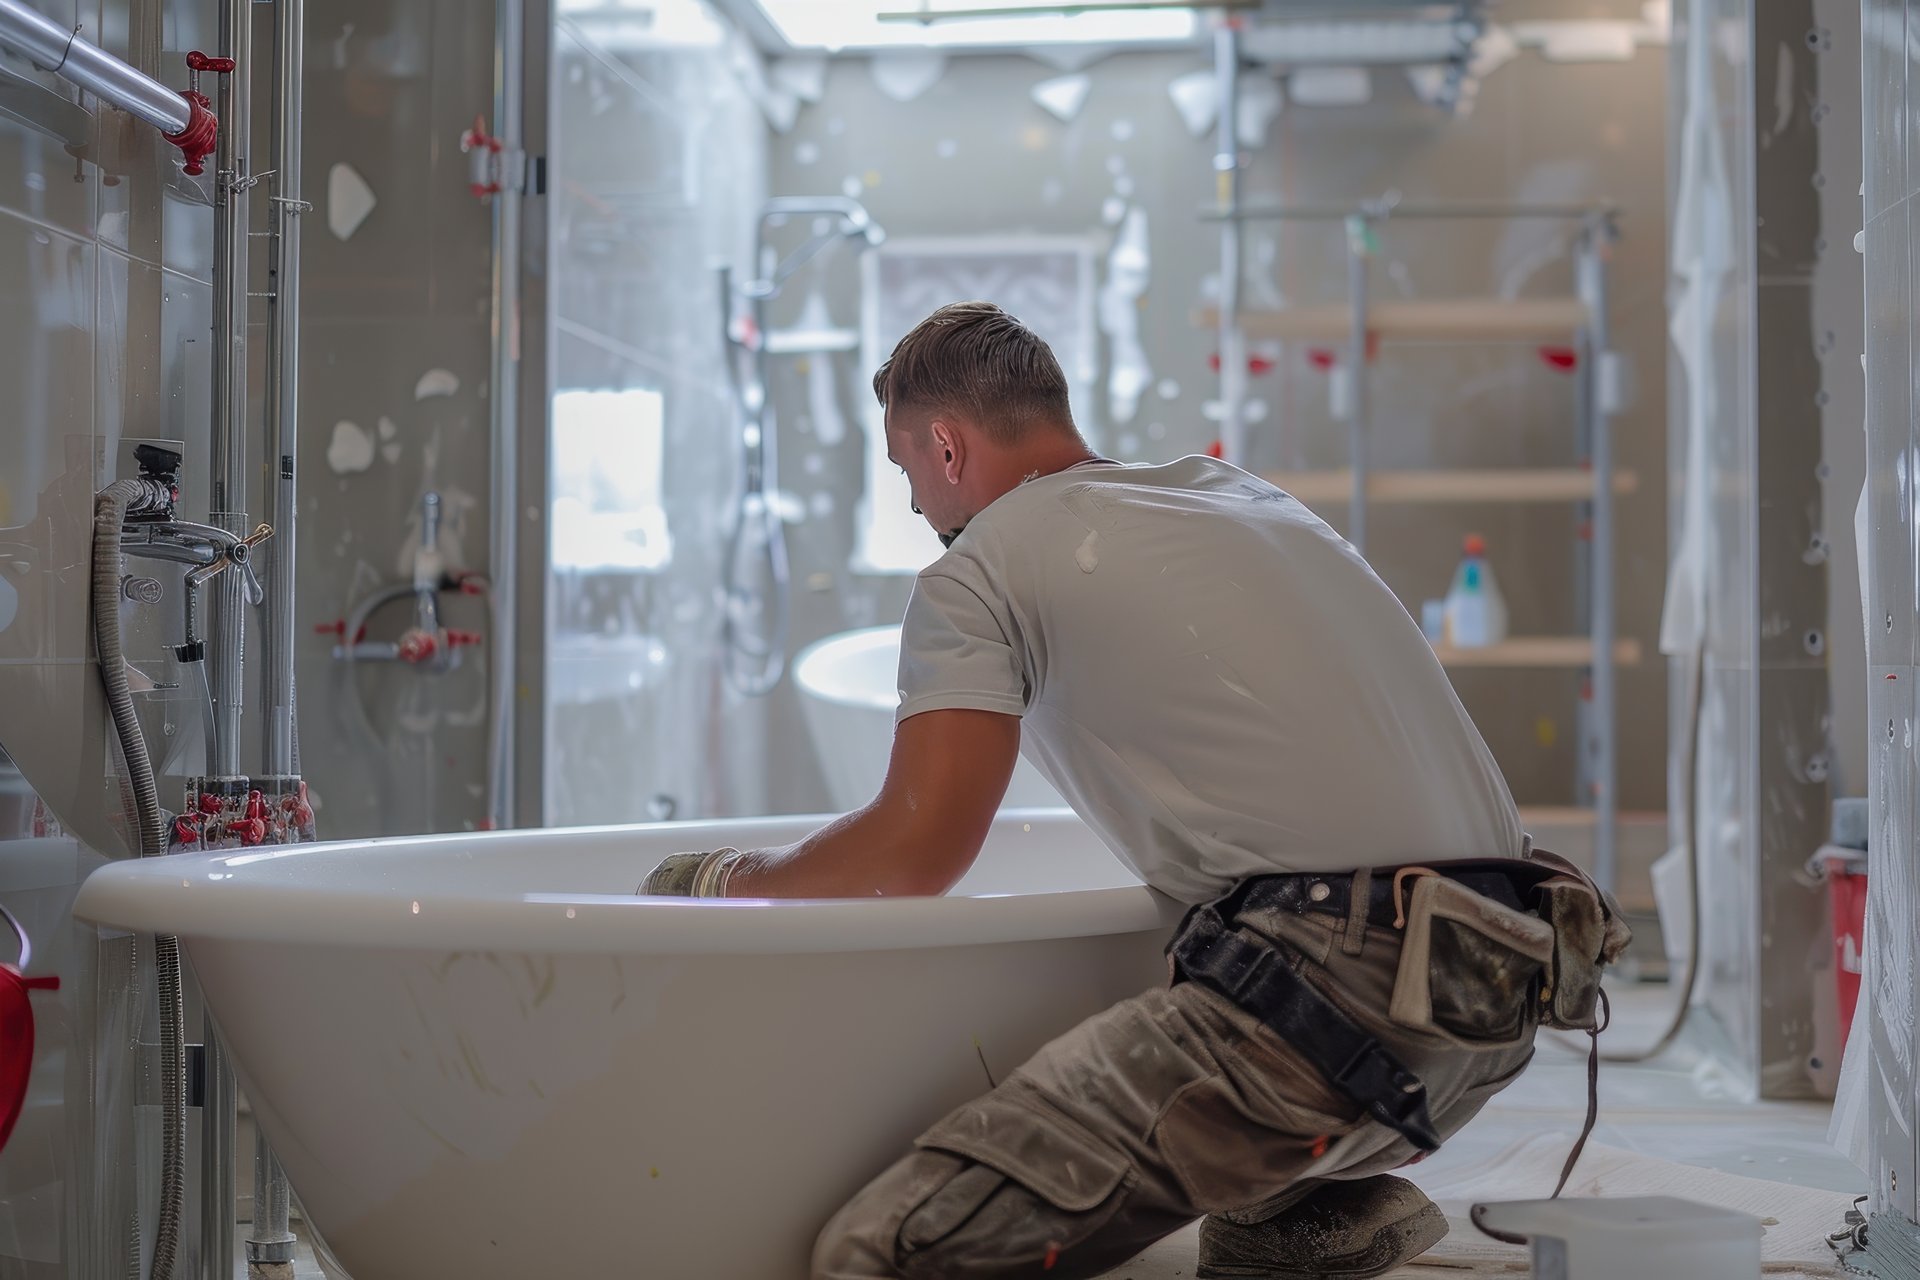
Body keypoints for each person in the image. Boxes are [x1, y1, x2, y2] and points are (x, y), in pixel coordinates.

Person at [641, 301, 1626, 1279]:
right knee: (1208, 990)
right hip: (1501, 997)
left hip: (1328, 1008)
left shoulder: (978, 568)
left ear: (946, 447)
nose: (912, 507)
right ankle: (1303, 1216)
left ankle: (1297, 1169)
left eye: (905, 470)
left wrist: (725, 879)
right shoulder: (1235, 495)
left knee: (878, 1253)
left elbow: (912, 851)